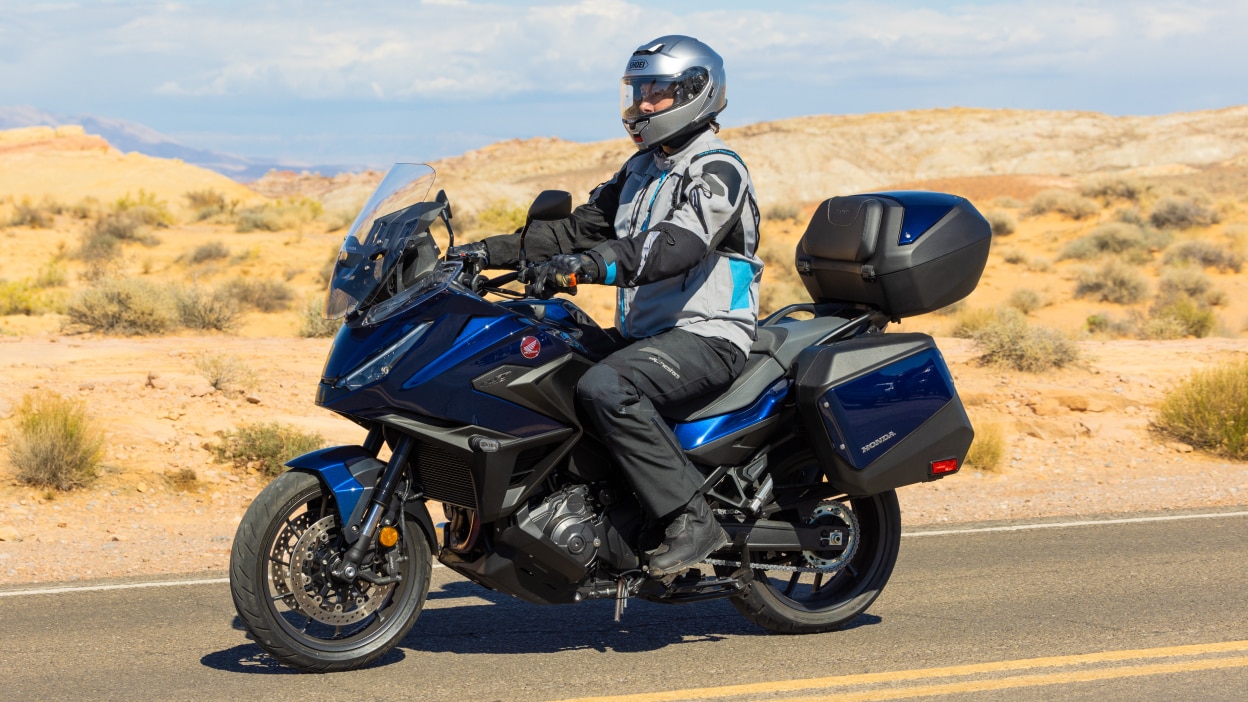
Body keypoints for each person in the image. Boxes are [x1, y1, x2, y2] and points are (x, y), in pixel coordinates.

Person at [449, 35, 762, 577]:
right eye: (639, 91)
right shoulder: (640, 171)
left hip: (709, 336)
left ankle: (691, 518)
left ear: (695, 93)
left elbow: (675, 246)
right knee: (548, 357)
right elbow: (574, 230)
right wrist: (478, 252)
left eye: (657, 93)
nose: (642, 104)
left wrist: (588, 267)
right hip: (650, 335)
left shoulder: (717, 171)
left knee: (606, 386)